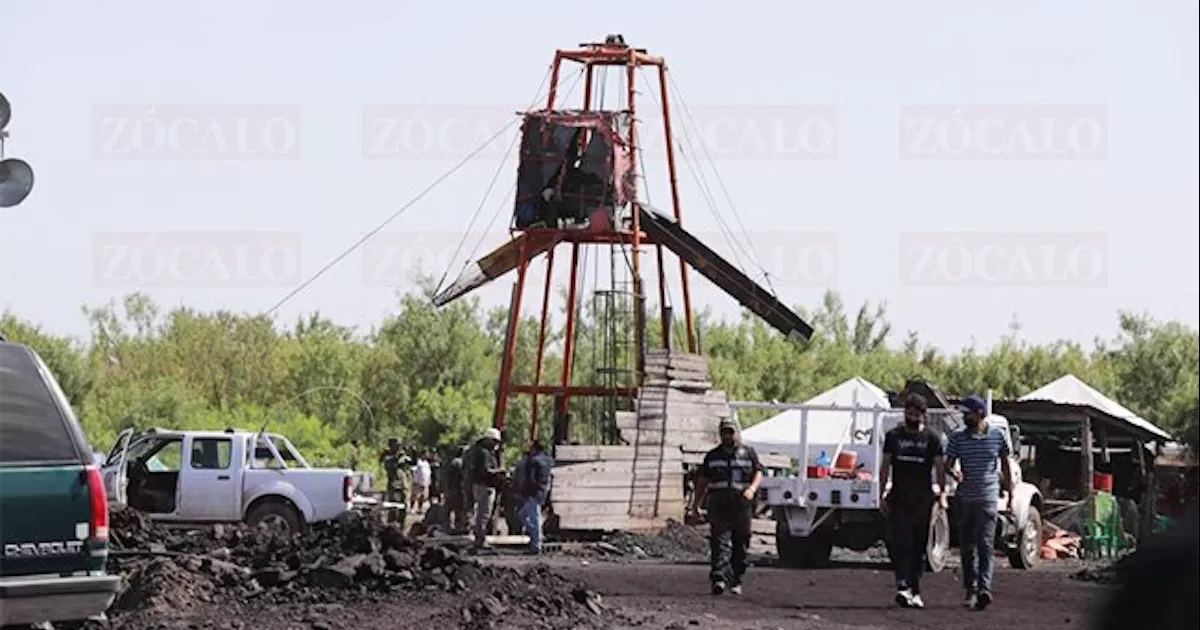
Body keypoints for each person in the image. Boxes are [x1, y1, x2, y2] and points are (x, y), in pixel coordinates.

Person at [879, 393, 949, 610]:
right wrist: (881, 494)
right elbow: (885, 466)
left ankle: (915, 590)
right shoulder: (893, 436)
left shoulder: (932, 438)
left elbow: (939, 468)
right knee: (899, 542)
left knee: (918, 545)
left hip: (923, 499)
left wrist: (942, 495)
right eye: (908, 413)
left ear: (923, 415)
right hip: (899, 497)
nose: (911, 418)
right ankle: (902, 585)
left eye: (915, 414)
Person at [944, 394, 1013, 611]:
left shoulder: (997, 436)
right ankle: (970, 588)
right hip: (965, 498)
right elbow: (947, 464)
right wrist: (954, 473)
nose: (965, 418)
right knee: (967, 546)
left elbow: (1006, 464)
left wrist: (1009, 493)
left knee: (985, 544)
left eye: (968, 414)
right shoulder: (957, 438)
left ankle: (984, 588)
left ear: (980, 414)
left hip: (988, 498)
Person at [694, 417, 763, 596]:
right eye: (724, 432)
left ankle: (736, 579)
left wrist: (752, 489)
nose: (728, 436)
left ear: (737, 433)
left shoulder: (748, 453)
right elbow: (703, 481)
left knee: (741, 542)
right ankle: (718, 579)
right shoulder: (712, 456)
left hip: (741, 505)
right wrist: (697, 505)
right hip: (719, 504)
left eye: (731, 432)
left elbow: (758, 473)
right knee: (719, 542)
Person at [466, 427, 505, 552]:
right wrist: (500, 472)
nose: (496, 444)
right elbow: (486, 470)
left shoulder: (479, 451)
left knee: (482, 514)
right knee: (483, 514)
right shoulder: (484, 453)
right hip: (485, 486)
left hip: (480, 485)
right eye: (495, 441)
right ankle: (480, 540)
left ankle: (480, 538)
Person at [517, 441, 554, 555]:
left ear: (534, 449)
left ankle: (536, 544)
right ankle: (537, 537)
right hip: (542, 490)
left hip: (533, 492)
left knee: (533, 517)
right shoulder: (549, 461)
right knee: (527, 515)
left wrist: (525, 491)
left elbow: (531, 478)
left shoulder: (533, 461)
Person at [379, 437, 411, 522]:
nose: (398, 448)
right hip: (393, 485)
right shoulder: (387, 456)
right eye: (396, 445)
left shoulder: (402, 456)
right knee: (393, 508)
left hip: (403, 485)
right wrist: (397, 457)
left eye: (399, 446)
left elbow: (411, 463)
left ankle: (402, 524)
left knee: (403, 508)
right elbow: (390, 466)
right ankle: (392, 524)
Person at [441, 447, 467, 533]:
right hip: (458, 488)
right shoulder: (460, 462)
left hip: (451, 488)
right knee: (458, 509)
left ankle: (447, 526)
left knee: (448, 509)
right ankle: (458, 527)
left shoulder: (451, 462)